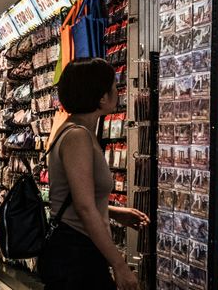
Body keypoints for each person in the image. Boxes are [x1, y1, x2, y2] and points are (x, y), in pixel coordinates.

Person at [41, 58, 149, 290]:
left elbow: (81, 200)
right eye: (113, 87)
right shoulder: (77, 136)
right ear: (101, 97)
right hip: (77, 254)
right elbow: (84, 207)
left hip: (78, 251)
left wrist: (112, 212)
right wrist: (119, 265)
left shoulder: (77, 131)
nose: (117, 92)